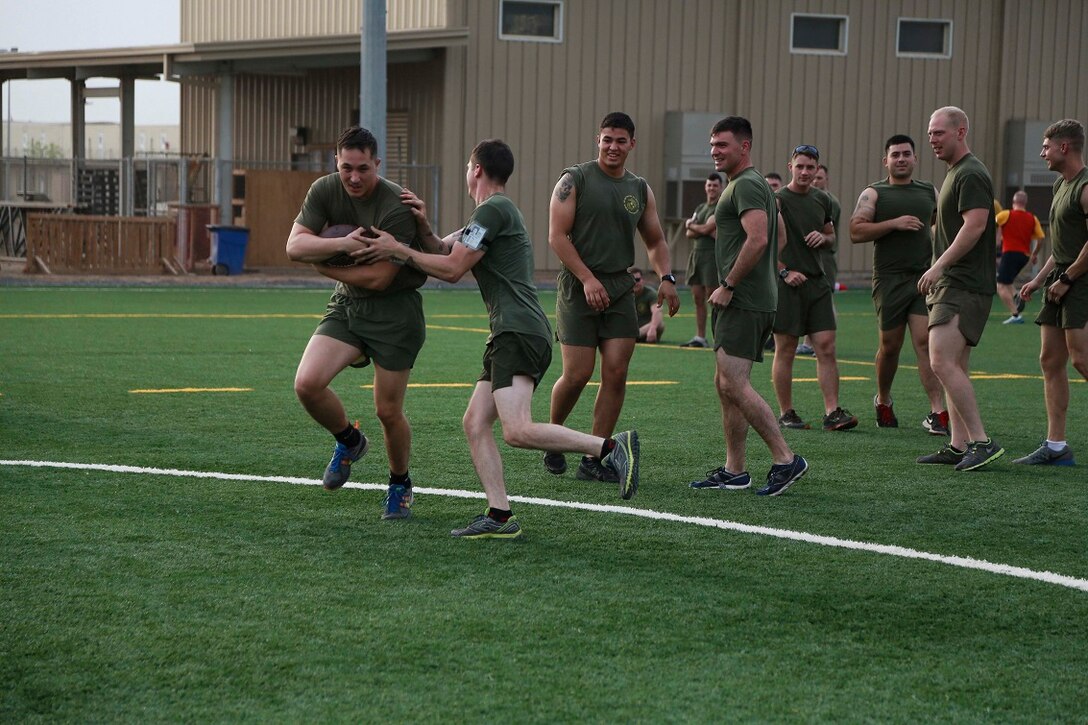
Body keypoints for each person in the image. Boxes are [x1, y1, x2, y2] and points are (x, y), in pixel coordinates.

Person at [351, 139, 641, 537]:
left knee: (517, 430)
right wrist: (422, 227)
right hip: (513, 330)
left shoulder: (492, 210)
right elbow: (443, 249)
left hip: (517, 330)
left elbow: (452, 270)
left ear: (475, 169)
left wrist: (397, 249)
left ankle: (609, 447)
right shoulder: (492, 212)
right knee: (475, 422)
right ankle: (499, 515)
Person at [285, 125, 435, 520]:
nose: (353, 177)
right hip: (348, 305)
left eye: (363, 169)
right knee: (307, 384)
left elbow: (380, 278)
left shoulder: (397, 205)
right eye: (346, 168)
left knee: (388, 411)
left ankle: (400, 483)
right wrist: (341, 244)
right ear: (336, 162)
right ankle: (349, 440)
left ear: (377, 164)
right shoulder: (324, 189)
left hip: (395, 314)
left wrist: (324, 266)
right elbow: (294, 246)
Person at [544, 112, 681, 482]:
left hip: (619, 289)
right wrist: (588, 279)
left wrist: (666, 277)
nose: (613, 147)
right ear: (598, 140)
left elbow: (655, 240)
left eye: (621, 141)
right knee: (577, 374)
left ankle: (593, 458)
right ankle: (553, 437)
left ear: (632, 144)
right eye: (607, 139)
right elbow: (556, 236)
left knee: (616, 373)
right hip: (579, 287)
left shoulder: (639, 188)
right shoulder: (574, 179)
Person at [689, 115, 808, 496]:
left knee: (733, 384)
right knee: (725, 385)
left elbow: (759, 239)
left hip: (744, 299)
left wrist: (729, 283)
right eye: (712, 145)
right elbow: (779, 235)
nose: (714, 151)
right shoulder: (748, 185)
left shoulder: (747, 185)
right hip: (746, 298)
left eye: (722, 145)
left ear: (744, 146)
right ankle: (735, 470)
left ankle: (786, 459)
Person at [916, 106, 1004, 471]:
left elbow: (975, 226)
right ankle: (959, 444)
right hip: (955, 282)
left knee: (940, 360)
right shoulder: (957, 172)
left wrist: (938, 266)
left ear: (961, 132)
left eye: (939, 132)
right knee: (953, 365)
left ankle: (982, 442)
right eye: (930, 133)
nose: (932, 139)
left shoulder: (970, 172)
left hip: (962, 284)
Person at [849, 134, 948, 433]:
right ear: (886, 161)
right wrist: (894, 223)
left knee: (925, 343)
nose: (901, 159)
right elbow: (856, 231)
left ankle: (938, 411)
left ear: (915, 158)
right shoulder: (874, 193)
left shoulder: (929, 190)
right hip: (889, 280)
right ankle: (883, 399)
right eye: (895, 155)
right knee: (890, 347)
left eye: (906, 154)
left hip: (922, 278)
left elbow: (941, 225)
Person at [1014, 119, 1088, 466]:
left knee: (1081, 359)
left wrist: (1068, 279)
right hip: (1061, 280)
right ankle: (1056, 446)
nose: (1042, 153)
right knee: (1050, 360)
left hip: (1080, 281)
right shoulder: (1060, 185)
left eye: (1046, 147)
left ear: (1064, 147)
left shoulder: (1085, 188)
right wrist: (1040, 279)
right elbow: (1060, 248)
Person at [772, 144, 858, 432]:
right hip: (787, 284)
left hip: (817, 281)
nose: (805, 172)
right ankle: (786, 413)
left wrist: (823, 237)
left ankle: (833, 412)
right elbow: (763, 243)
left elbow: (831, 235)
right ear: (790, 167)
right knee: (786, 348)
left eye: (811, 167)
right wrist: (784, 271)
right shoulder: (777, 200)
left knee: (826, 346)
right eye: (800, 166)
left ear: (818, 169)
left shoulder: (823, 200)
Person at [794, 163, 843, 357]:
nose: (815, 181)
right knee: (807, 301)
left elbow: (823, 230)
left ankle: (824, 343)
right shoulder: (808, 199)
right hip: (809, 257)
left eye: (819, 178)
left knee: (826, 301)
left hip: (824, 258)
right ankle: (808, 343)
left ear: (826, 179)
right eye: (814, 178)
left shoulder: (830, 202)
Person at [680, 172, 724, 348]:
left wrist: (692, 225)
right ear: (705, 187)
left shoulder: (720, 207)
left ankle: (719, 337)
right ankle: (700, 337)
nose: (712, 188)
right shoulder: (700, 207)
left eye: (715, 185)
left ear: (721, 187)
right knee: (698, 297)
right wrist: (701, 229)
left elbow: (706, 229)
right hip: (696, 256)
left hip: (711, 257)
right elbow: (689, 234)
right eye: (709, 185)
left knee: (713, 298)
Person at [995, 190, 1045, 324]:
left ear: (1013, 202)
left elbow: (993, 223)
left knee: (1000, 286)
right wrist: (1035, 254)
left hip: (1010, 253)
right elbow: (1041, 238)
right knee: (1007, 281)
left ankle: (1015, 315)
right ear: (1025, 203)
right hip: (1024, 257)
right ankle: (1017, 295)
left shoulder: (1005, 214)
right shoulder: (1033, 218)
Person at [631, 268, 665, 343]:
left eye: (637, 280)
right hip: (630, 328)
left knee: (660, 324)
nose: (635, 283)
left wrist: (653, 328)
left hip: (646, 329)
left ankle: (633, 337)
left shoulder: (651, 294)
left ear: (643, 280)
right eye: (632, 280)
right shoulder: (625, 295)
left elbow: (657, 311)